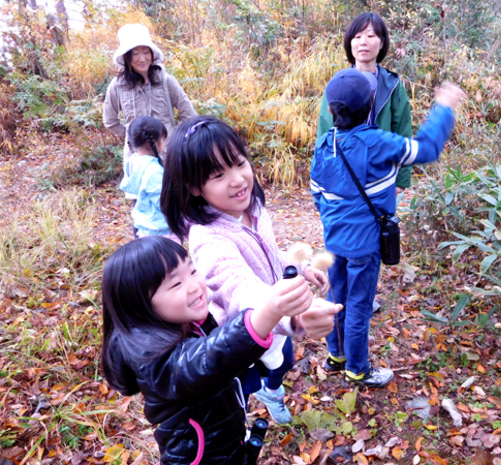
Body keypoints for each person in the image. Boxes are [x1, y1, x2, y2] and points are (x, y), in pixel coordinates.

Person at [161, 116, 341, 423]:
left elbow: (268, 255)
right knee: (240, 390)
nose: (238, 179)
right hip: (244, 337)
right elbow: (238, 288)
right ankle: (241, 421)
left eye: (239, 163)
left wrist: (300, 267)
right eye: (218, 174)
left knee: (282, 363)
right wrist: (291, 314)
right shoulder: (208, 239)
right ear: (194, 187)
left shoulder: (252, 209)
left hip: (277, 328)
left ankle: (272, 392)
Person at [101, 236, 322, 464]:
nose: (195, 285)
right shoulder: (154, 359)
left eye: (193, 271)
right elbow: (209, 358)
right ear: (140, 306)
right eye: (176, 284)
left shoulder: (187, 323)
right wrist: (269, 311)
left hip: (222, 440)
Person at [311, 68, 465, 388]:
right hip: (365, 246)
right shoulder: (379, 142)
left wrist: (335, 221)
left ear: (330, 110)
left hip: (334, 239)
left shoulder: (326, 144)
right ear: (371, 106)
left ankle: (336, 354)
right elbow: (426, 149)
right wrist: (444, 107)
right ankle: (357, 367)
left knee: (336, 295)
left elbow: (317, 191)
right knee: (359, 305)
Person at [317, 12, 413, 195]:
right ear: (349, 43)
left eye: (370, 36)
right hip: (343, 175)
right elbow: (324, 131)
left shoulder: (392, 85)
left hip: (381, 177)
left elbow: (403, 132)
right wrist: (324, 178)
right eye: (357, 36)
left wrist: (400, 180)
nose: (363, 42)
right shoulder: (338, 83)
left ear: (382, 42)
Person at [103, 23, 197, 163]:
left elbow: (189, 115)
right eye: (135, 54)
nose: (142, 59)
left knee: (171, 185)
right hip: (136, 159)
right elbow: (110, 121)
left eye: (146, 52)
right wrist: (132, 136)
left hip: (168, 157)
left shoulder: (166, 81)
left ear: (152, 54)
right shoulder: (118, 85)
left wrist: (175, 138)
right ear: (127, 57)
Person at [119, 116, 177, 240]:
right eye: (163, 140)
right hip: (161, 232)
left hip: (144, 228)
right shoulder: (153, 170)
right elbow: (163, 203)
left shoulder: (133, 161)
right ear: (156, 142)